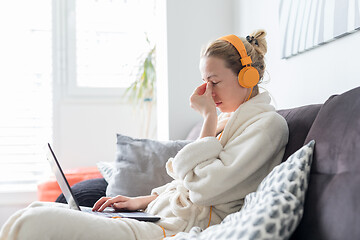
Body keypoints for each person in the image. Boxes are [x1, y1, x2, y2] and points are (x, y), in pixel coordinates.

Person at [0, 30, 288, 240]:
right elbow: (185, 181)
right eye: (204, 82)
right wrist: (142, 200)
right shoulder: (229, 122)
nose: (207, 92)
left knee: (35, 223)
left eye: (214, 82)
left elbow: (203, 188)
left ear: (246, 77)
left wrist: (208, 117)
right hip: (159, 215)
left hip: (174, 228)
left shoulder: (267, 127)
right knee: (31, 210)